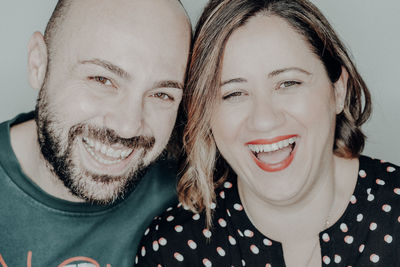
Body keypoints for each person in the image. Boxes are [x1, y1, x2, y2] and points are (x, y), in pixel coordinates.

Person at [135, 0, 400, 266]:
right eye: (234, 93)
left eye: (288, 83)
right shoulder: (171, 249)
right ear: (204, 115)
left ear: (338, 90)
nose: (264, 120)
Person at [0, 0, 190, 266]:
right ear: (37, 64)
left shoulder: (189, 198)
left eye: (161, 94)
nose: (127, 126)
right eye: (102, 80)